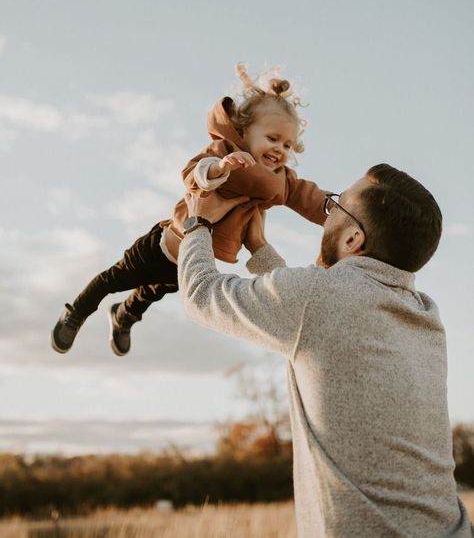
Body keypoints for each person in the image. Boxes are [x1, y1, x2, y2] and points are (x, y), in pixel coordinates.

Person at [178, 164, 473, 537]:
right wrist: (259, 250)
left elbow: (200, 295)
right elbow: (316, 331)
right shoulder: (426, 316)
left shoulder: (318, 300)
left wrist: (197, 224)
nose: (327, 215)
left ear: (353, 240)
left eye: (335, 207)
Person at [51, 64, 327, 356]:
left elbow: (307, 196)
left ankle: (123, 316)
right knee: (113, 280)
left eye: (288, 144)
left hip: (192, 263)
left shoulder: (279, 181)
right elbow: (194, 173)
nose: (280, 150)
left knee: (150, 293)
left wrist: (337, 212)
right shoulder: (226, 152)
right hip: (162, 245)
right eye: (272, 139)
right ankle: (76, 311)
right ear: (244, 131)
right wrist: (219, 169)